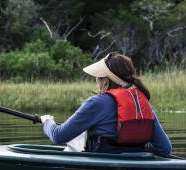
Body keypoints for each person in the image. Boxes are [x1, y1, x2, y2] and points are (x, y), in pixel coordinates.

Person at [40, 52, 172, 155]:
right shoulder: (142, 104)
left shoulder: (96, 103)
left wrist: (47, 122)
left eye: (98, 77)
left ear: (105, 80)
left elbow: (58, 136)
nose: (96, 80)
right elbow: (165, 149)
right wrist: (140, 150)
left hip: (104, 165)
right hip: (137, 165)